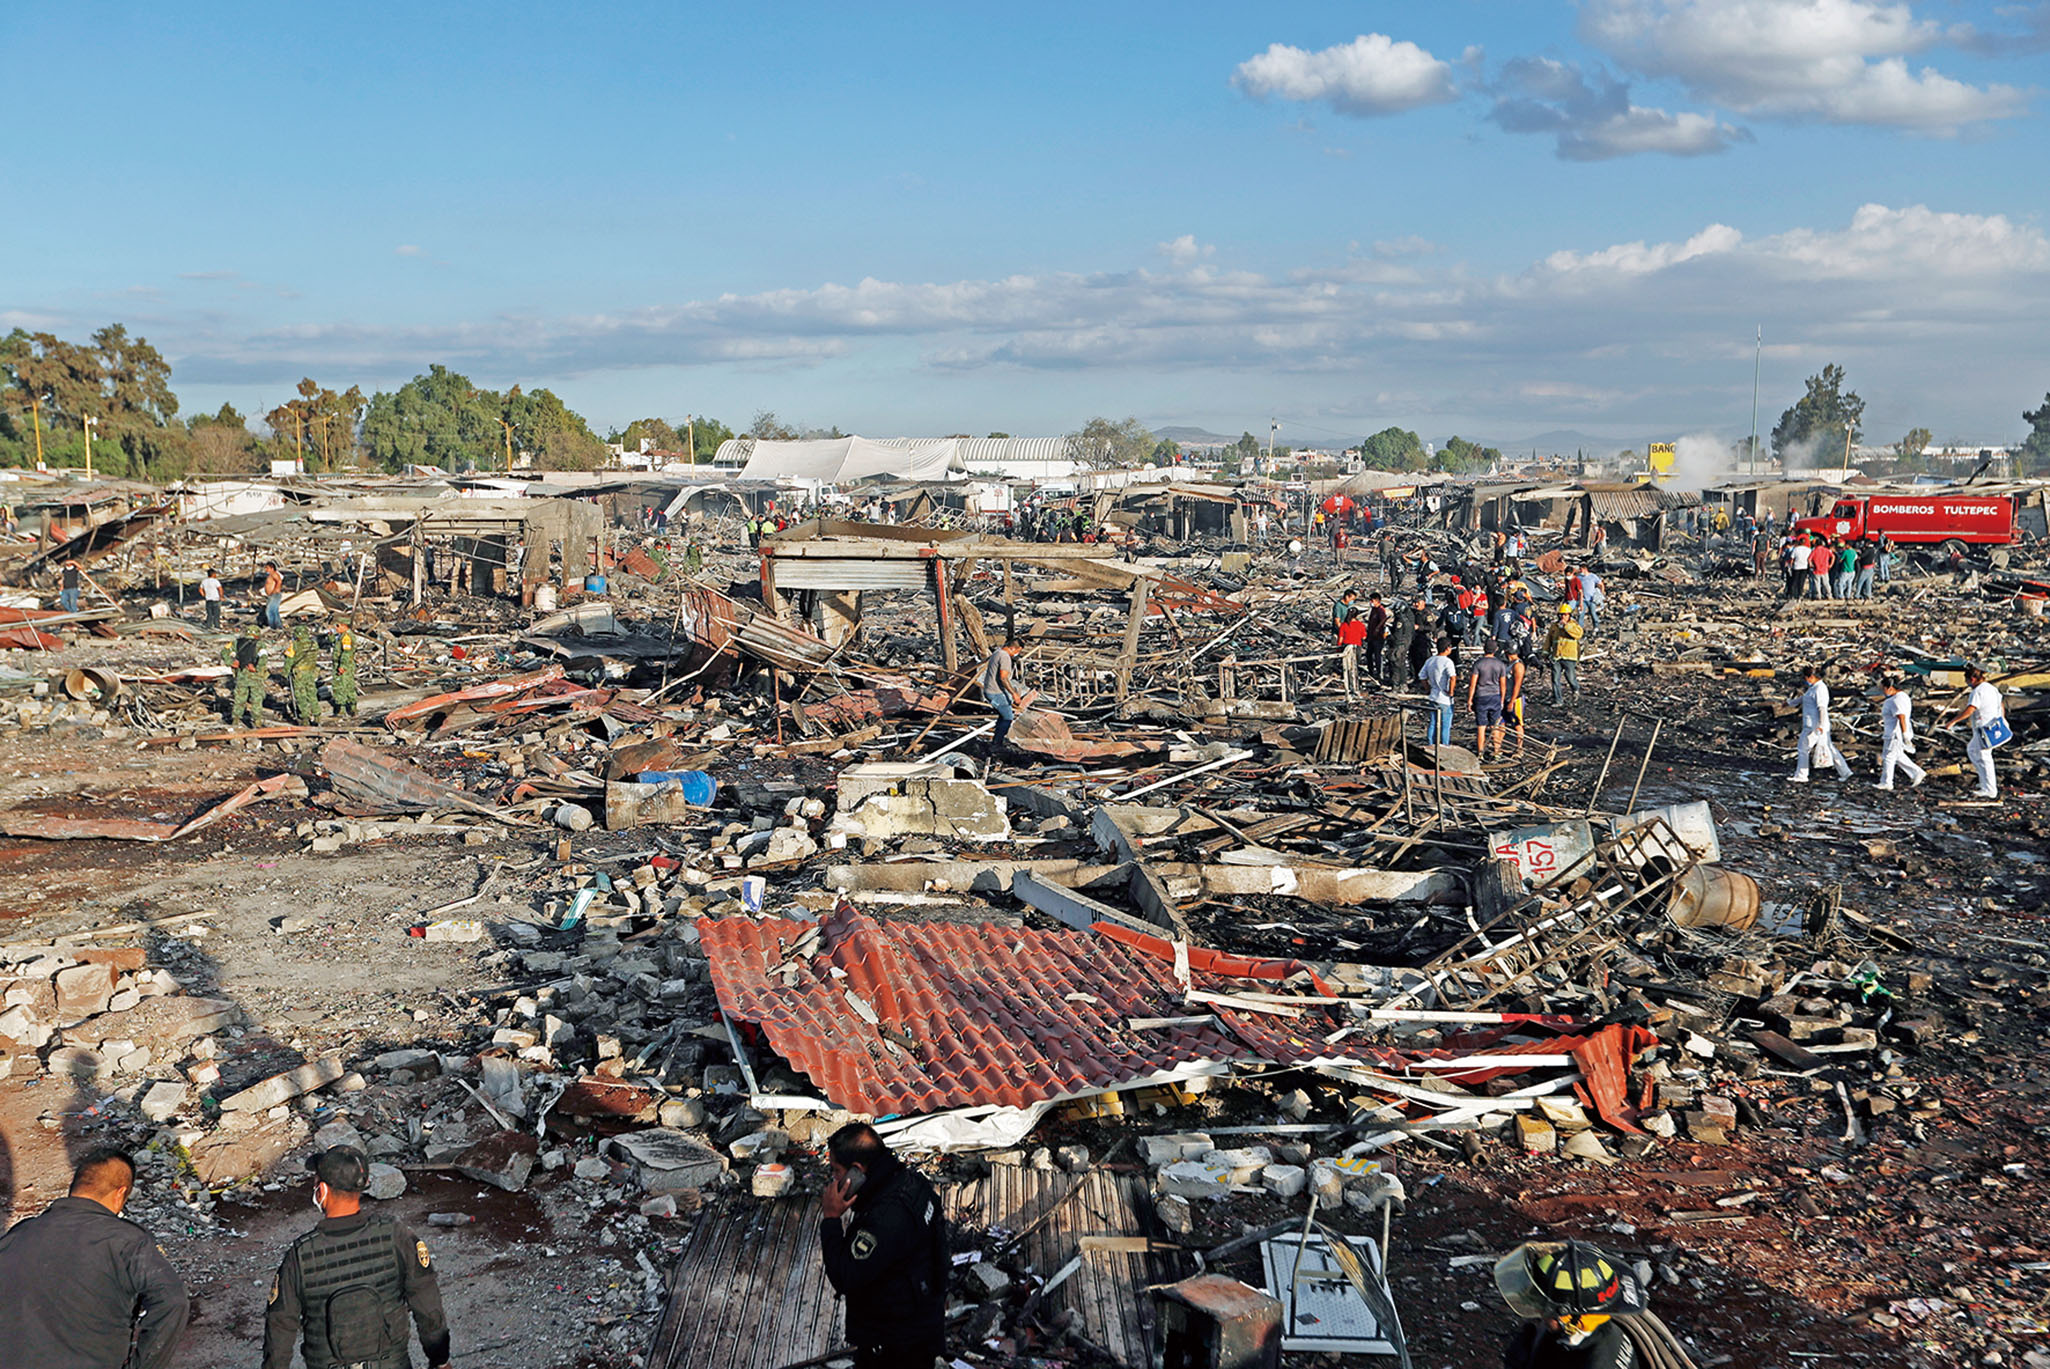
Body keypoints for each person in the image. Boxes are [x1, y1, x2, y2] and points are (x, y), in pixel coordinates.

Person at [0, 1146, 188, 1369]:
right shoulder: (127, 1241)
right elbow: (173, 1300)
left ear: (74, 1187)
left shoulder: (18, 1235)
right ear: (120, 1194)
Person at [264, 1146, 449, 1369]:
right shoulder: (396, 1236)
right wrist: (440, 1359)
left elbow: (280, 1327)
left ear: (321, 1190)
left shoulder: (300, 1255)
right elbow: (427, 1304)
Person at [818, 1122, 947, 1369]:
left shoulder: (884, 1219)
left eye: (836, 1171)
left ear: (856, 1170)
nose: (833, 1180)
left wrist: (832, 1219)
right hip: (923, 1324)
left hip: (894, 1343)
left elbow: (844, 1275)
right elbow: (940, 1253)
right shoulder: (911, 1184)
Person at [1493, 1239, 1649, 1369]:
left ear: (1573, 1318)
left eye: (1545, 1309)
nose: (1539, 1312)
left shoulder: (1596, 1362)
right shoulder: (1594, 1325)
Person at [1945, 664, 2007, 799]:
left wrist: (1953, 721)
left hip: (1985, 729)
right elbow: (2001, 704)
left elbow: (1970, 709)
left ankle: (1990, 789)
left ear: (1972, 679)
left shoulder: (1977, 691)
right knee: (1973, 751)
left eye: (1966, 680)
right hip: (1992, 726)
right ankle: (1984, 783)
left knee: (1984, 757)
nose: (1967, 683)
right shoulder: (1991, 688)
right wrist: (2002, 719)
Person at [1790, 664, 1852, 783]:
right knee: (1829, 748)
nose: (1805, 680)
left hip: (1815, 725)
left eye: (1805, 678)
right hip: (1813, 725)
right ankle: (1845, 772)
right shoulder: (1813, 688)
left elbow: (1822, 708)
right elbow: (1804, 698)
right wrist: (1790, 703)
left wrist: (1821, 725)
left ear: (1811, 677)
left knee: (1803, 748)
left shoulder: (1820, 689)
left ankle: (1801, 775)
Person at [980, 630, 1028, 758]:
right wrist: (1014, 694)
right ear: (1013, 648)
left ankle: (997, 740)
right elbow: (1003, 678)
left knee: (1003, 716)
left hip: (992, 690)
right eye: (1018, 651)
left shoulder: (997, 652)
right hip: (995, 692)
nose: (1017, 654)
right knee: (1007, 717)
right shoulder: (1005, 657)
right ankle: (996, 745)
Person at [1875, 676, 1926, 791]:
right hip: (1892, 731)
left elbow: (1901, 716)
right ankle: (1917, 772)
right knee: (1897, 756)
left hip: (1895, 733)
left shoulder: (1897, 699)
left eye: (1883, 688)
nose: (1882, 691)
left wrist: (1905, 735)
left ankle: (1887, 782)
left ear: (1889, 688)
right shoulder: (1901, 696)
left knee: (1888, 757)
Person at [1468, 640, 1511, 755]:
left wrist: (1469, 700)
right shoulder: (1500, 664)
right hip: (1495, 696)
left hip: (1481, 696)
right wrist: (1502, 699)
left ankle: (1480, 752)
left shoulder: (1478, 664)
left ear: (1484, 649)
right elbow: (1503, 685)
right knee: (1495, 726)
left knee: (1481, 727)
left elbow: (1473, 684)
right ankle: (1497, 751)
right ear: (1496, 650)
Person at [224, 622, 266, 728]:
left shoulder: (236, 643)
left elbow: (224, 651)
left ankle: (236, 720)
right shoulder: (260, 644)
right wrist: (257, 668)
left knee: (239, 698)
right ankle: (257, 722)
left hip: (241, 676)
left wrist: (231, 662)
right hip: (255, 677)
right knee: (256, 700)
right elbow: (264, 658)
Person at [1419, 637, 1457, 745]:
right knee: (1445, 725)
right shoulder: (1447, 662)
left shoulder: (1430, 660)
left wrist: (1427, 689)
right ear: (1447, 648)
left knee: (1433, 722)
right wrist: (1451, 691)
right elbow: (1453, 677)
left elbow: (1422, 676)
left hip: (1433, 696)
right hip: (1444, 698)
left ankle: (1430, 745)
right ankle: (1444, 746)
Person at [1544, 604, 1582, 706]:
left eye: (1565, 615)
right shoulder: (1554, 626)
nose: (1563, 617)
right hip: (1556, 656)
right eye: (1561, 615)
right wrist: (1545, 653)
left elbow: (1578, 634)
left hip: (1569, 656)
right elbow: (1549, 640)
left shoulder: (1574, 625)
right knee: (1555, 679)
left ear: (1569, 615)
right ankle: (1558, 700)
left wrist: (1566, 626)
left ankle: (1575, 688)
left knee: (1570, 677)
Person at [287, 625, 320, 724]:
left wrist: (285, 672)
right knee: (312, 694)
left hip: (299, 674)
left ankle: (305, 718)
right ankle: (317, 715)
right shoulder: (314, 644)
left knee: (301, 695)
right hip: (311, 672)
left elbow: (289, 660)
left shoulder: (295, 645)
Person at [1336, 608, 1367, 699]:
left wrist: (1338, 649)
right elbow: (1364, 637)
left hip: (1346, 647)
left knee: (1347, 668)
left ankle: (1349, 685)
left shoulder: (1344, 625)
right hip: (1356, 647)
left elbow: (1340, 638)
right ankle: (1355, 687)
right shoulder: (1360, 625)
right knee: (1354, 667)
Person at [331, 624, 359, 718]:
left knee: (341, 686)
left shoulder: (346, 637)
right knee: (348, 685)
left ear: (344, 626)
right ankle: (352, 708)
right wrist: (330, 635)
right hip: (346, 665)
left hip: (344, 665)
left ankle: (343, 710)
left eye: (338, 626)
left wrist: (342, 666)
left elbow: (346, 653)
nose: (336, 628)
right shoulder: (342, 636)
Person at [1362, 591, 1389, 682]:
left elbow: (1383, 619)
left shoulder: (1381, 610)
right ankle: (1371, 671)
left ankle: (1379, 673)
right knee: (1368, 654)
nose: (1371, 602)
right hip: (1371, 636)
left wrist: (1378, 628)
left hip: (1378, 637)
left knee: (1377, 655)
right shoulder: (1373, 610)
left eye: (1372, 600)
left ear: (1376, 601)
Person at [1504, 646, 1527, 752]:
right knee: (1502, 723)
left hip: (1515, 699)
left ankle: (1519, 748)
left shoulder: (1518, 666)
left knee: (1517, 723)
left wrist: (1512, 701)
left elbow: (1517, 685)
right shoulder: (1509, 664)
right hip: (1506, 697)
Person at [1576, 568, 1605, 635]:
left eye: (1581, 569)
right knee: (1581, 614)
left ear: (1585, 569)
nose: (1580, 571)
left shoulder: (1593, 576)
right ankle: (1580, 629)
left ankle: (1596, 627)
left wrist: (1601, 593)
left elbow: (1601, 584)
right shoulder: (1579, 577)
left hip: (1592, 599)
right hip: (1583, 599)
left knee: (1593, 613)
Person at [199, 565, 223, 630]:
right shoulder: (215, 581)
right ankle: (217, 626)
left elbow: (200, 589)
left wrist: (204, 595)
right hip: (216, 599)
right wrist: (221, 596)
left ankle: (208, 626)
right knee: (216, 614)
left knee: (209, 614)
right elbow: (220, 589)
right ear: (213, 574)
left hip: (208, 599)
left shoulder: (204, 581)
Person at [262, 560, 285, 627]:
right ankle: (278, 626)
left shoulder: (274, 574)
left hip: (274, 595)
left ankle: (273, 626)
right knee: (274, 611)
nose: (266, 569)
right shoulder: (271, 575)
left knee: (270, 611)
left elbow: (279, 581)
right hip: (272, 595)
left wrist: (275, 590)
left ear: (272, 568)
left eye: (267, 568)